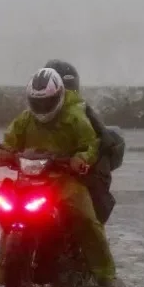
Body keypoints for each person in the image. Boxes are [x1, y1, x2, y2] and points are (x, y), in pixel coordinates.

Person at [0, 67, 116, 287]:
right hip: (30, 178)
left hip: (64, 179)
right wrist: (3, 153)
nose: (41, 107)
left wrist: (81, 158)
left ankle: (106, 275)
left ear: (58, 96)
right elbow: (10, 139)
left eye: (46, 102)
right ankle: (0, 279)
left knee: (86, 219)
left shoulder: (75, 118)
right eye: (36, 102)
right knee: (8, 218)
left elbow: (90, 145)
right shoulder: (25, 119)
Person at [44, 59, 123, 222]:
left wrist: (84, 159)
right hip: (43, 177)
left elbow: (100, 142)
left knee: (90, 223)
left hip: (76, 179)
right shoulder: (35, 114)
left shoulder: (83, 114)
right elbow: (17, 134)